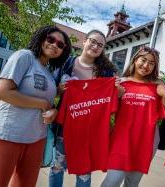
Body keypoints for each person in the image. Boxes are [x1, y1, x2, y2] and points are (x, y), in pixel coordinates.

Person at [0, 25, 71, 187]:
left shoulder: (48, 72)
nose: (55, 45)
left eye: (60, 45)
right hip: (11, 134)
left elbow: (45, 100)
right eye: (51, 39)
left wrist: (53, 106)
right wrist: (43, 104)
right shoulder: (24, 56)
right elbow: (3, 92)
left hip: (37, 137)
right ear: (41, 38)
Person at [49, 29, 119, 187]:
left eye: (100, 45)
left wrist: (117, 89)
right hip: (65, 126)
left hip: (90, 130)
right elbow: (50, 91)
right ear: (84, 41)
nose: (95, 46)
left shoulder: (106, 73)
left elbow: (115, 97)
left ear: (102, 50)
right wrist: (59, 90)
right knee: (57, 167)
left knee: (84, 170)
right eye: (93, 41)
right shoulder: (67, 63)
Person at [101, 46, 165, 187]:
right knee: (112, 181)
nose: (146, 65)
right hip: (121, 139)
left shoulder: (157, 85)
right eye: (143, 60)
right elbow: (104, 110)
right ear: (135, 60)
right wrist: (117, 95)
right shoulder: (120, 82)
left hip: (147, 140)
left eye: (151, 63)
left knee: (132, 183)